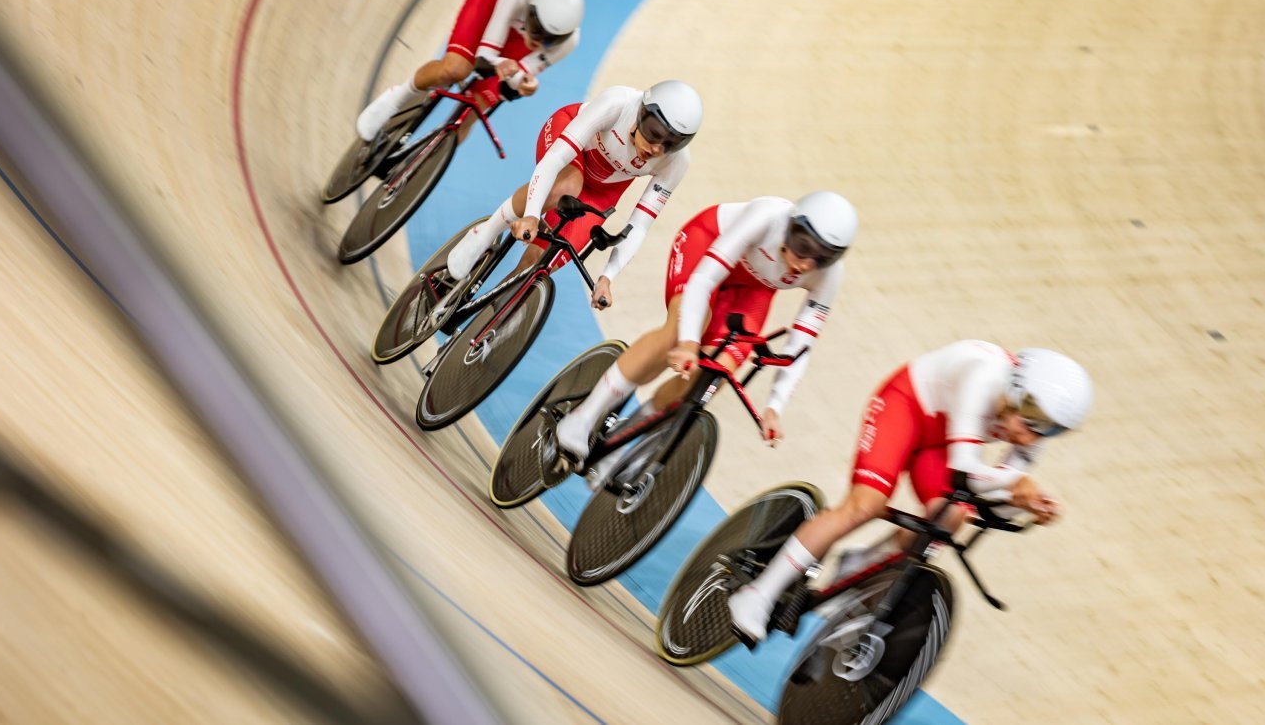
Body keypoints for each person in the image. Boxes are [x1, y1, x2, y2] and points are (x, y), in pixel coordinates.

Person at [726, 341, 1094, 644]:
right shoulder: (983, 375)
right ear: (1015, 391)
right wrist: (1015, 485)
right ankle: (757, 594)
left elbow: (986, 501)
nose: (1032, 438)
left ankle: (862, 564)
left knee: (951, 517)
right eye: (1030, 424)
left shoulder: (1032, 429)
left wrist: (1023, 504)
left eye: (1048, 431)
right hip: (906, 408)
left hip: (941, 444)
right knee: (866, 505)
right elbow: (970, 471)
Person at [553, 192, 858, 490]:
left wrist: (774, 406)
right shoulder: (766, 217)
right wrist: (687, 341)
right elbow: (705, 278)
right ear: (792, 226)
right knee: (678, 329)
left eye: (822, 257)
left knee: (715, 374)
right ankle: (582, 418)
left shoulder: (829, 276)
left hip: (752, 291)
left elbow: (800, 347)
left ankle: (622, 442)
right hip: (705, 246)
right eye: (803, 247)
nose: (806, 264)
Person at [443, 80, 703, 303]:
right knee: (567, 186)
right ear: (642, 113)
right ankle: (484, 234)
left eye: (671, 143)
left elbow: (639, 225)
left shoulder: (677, 162)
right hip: (568, 149)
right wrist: (533, 214)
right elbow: (556, 158)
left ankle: (486, 322)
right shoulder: (618, 103)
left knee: (540, 264)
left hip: (600, 193)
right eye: (654, 133)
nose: (657, 149)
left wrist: (607, 277)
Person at [356, 0, 584, 141]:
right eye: (537, 31)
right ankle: (396, 98)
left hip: (517, 37)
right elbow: (485, 56)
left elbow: (521, 73)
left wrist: (524, 82)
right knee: (456, 70)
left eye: (549, 40)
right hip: (492, 8)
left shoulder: (569, 41)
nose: (539, 42)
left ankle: (424, 161)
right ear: (531, 11)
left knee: (476, 107)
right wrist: (500, 64)